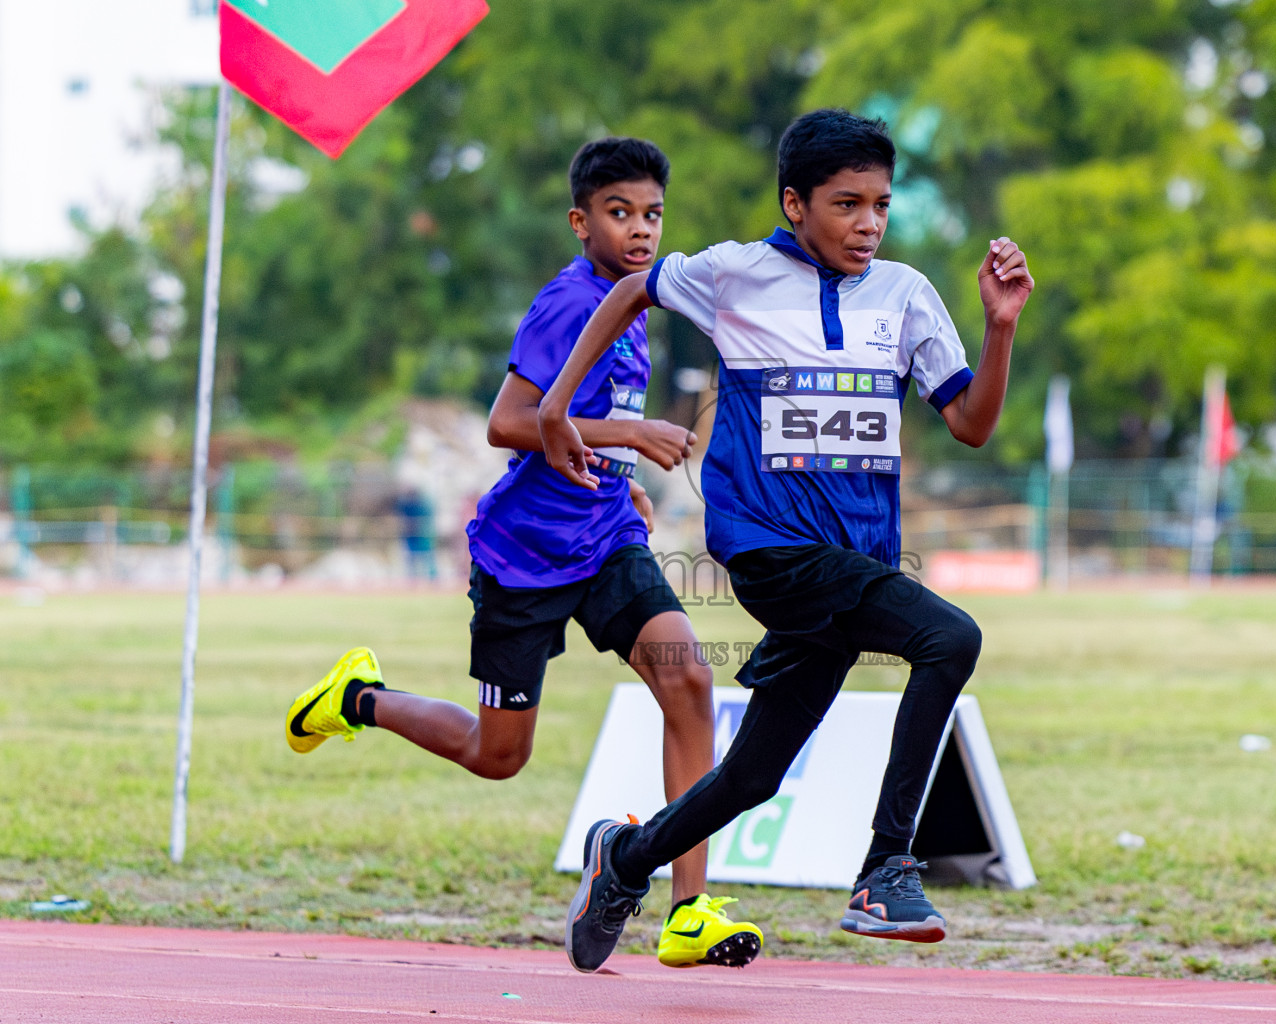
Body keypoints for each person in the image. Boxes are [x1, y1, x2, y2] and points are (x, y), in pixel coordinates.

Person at [539, 109, 1034, 973]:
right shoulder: (735, 273)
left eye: (881, 205)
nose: (869, 224)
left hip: (855, 564)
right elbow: (630, 291)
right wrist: (556, 406)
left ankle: (625, 861)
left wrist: (999, 327)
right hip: (766, 546)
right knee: (950, 636)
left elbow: (970, 424)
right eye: (847, 204)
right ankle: (887, 867)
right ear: (794, 204)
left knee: (752, 777)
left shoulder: (907, 295)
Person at [284, 137, 762, 971]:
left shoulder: (641, 304)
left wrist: (620, 474)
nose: (640, 231)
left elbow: (585, 420)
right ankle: (358, 697)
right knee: (498, 756)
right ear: (581, 224)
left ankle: (691, 910)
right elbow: (509, 423)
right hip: (525, 556)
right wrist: (629, 434)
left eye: (653, 214)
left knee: (688, 678)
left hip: (607, 536)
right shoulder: (566, 302)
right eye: (620, 214)